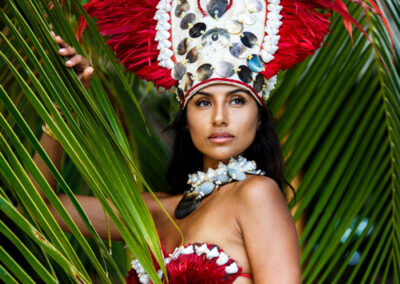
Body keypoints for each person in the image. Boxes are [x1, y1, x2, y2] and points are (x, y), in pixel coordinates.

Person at [35, 0, 383, 282]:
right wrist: (65, 109)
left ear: (259, 116)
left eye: (237, 100)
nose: (220, 116)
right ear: (185, 118)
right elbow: (37, 209)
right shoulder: (156, 211)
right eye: (204, 102)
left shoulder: (256, 195)